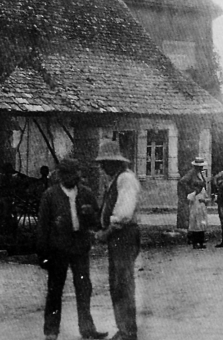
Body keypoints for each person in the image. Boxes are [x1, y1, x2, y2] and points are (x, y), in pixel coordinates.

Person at [37, 158, 107, 340]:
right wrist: (42, 254)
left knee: (84, 287)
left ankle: (87, 329)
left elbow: (98, 221)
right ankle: (51, 332)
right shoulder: (50, 195)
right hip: (58, 249)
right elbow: (43, 227)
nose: (72, 177)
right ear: (61, 175)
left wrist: (90, 213)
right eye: (68, 173)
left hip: (80, 247)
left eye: (75, 173)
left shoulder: (86, 194)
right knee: (55, 290)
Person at [94, 141, 141, 340]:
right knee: (117, 283)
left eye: (105, 162)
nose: (102, 167)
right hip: (119, 236)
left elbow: (123, 214)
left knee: (123, 283)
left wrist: (106, 232)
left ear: (115, 162)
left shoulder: (126, 179)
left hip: (124, 235)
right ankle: (123, 328)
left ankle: (128, 332)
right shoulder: (116, 180)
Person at [178, 157, 208, 231]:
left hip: (201, 197)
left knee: (201, 216)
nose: (201, 167)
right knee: (194, 216)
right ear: (196, 166)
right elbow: (182, 181)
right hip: (195, 197)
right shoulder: (192, 173)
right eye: (200, 166)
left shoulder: (200, 173)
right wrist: (191, 191)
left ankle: (199, 234)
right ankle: (193, 235)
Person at [187, 182, 208, 249]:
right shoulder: (192, 194)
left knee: (202, 227)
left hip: (202, 212)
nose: (199, 189)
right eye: (197, 187)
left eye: (200, 187)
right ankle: (195, 243)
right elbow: (190, 199)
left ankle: (201, 242)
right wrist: (195, 193)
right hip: (195, 213)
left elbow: (207, 200)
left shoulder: (203, 193)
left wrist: (204, 200)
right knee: (195, 228)